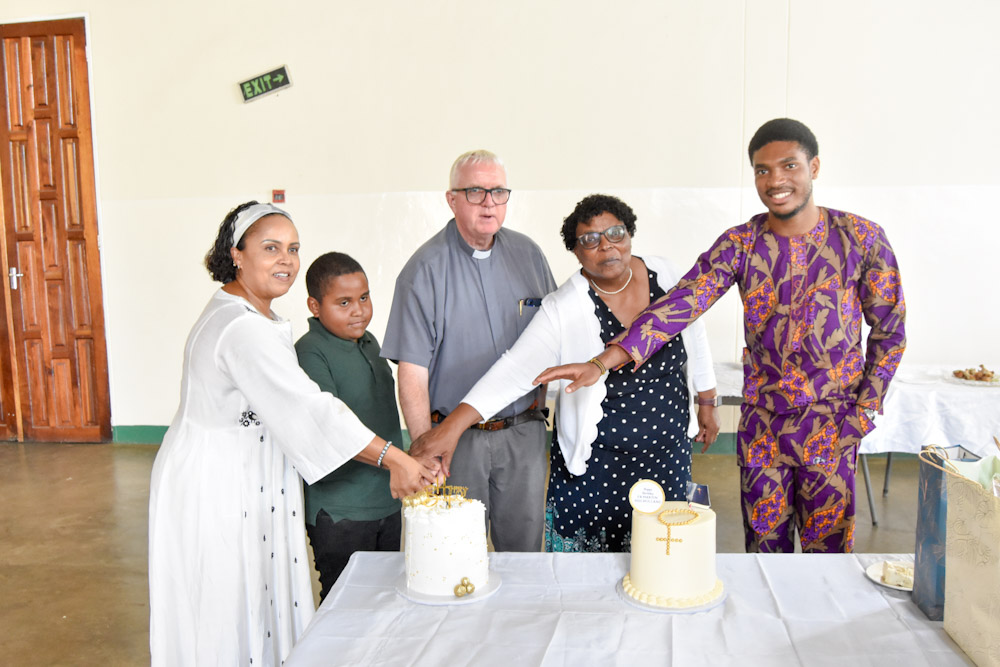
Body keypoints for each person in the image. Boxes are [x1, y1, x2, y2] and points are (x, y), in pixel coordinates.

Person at [536, 119, 906, 554]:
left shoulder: (860, 237)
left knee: (828, 557)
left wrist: (864, 412)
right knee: (764, 554)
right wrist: (603, 361)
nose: (775, 180)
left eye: (789, 165)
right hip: (763, 428)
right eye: (762, 170)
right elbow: (680, 305)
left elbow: (890, 331)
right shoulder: (742, 244)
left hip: (832, 425)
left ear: (815, 167)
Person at [148, 202, 436, 666]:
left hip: (247, 470)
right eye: (270, 248)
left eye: (293, 248)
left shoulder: (254, 316)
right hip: (218, 480)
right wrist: (396, 458)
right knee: (224, 603)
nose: (286, 259)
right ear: (236, 254)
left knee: (255, 597)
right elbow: (311, 410)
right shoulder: (241, 328)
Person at [411, 194, 720, 552]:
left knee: (662, 560)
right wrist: (451, 429)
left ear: (630, 233)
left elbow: (694, 331)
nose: (607, 247)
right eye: (590, 240)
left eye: (616, 233)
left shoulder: (664, 274)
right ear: (575, 251)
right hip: (597, 467)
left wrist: (707, 399)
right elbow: (513, 371)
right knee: (588, 580)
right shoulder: (565, 307)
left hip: (666, 455)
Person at [381, 150, 557, 551]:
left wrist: (535, 417)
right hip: (457, 445)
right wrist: (426, 449)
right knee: (457, 553)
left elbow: (550, 341)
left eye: (498, 192)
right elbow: (411, 372)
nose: (489, 203)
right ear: (452, 199)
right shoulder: (423, 270)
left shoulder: (529, 256)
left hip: (523, 436)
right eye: (476, 191)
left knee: (525, 552)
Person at [294, 252, 403, 600]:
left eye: (364, 298)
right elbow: (330, 429)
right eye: (343, 302)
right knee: (345, 603)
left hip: (386, 500)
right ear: (315, 305)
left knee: (385, 596)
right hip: (341, 510)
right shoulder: (309, 353)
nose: (358, 310)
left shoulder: (370, 344)